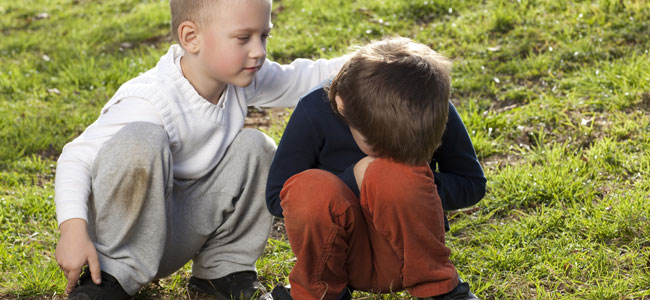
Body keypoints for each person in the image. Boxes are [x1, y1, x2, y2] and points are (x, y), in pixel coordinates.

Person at [53, 0, 349, 299]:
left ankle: (221, 269)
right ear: (190, 37)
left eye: (264, 36)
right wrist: (73, 232)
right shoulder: (149, 99)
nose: (258, 50)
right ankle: (109, 277)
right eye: (243, 38)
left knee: (256, 146)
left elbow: (302, 78)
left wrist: (377, 58)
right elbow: (75, 158)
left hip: (173, 234)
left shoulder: (239, 78)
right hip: (118, 241)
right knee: (141, 139)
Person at [265, 37, 486, 300]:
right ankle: (318, 292)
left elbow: (471, 184)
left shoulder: (429, 105)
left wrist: (418, 182)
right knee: (309, 187)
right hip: (336, 254)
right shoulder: (313, 110)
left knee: (389, 175)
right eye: (379, 147)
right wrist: (353, 179)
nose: (390, 155)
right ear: (342, 106)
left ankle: (440, 290)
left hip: (407, 255)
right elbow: (276, 195)